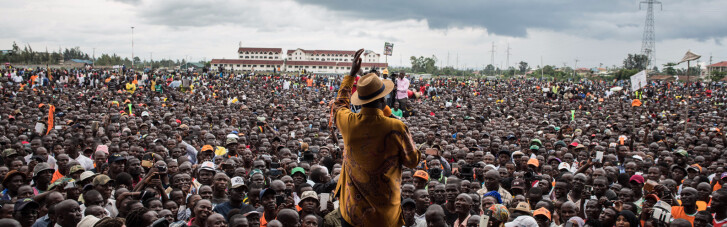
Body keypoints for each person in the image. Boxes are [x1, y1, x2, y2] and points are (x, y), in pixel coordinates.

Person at [331, 49, 421, 226]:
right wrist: (390, 114)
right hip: (385, 214)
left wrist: (351, 75)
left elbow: (340, 104)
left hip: (352, 212)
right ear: (383, 100)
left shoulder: (349, 122)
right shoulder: (396, 126)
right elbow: (413, 161)